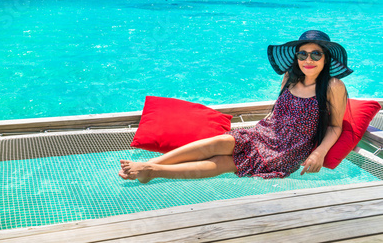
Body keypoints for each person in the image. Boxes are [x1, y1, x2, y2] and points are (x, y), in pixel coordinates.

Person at [119, 30, 352, 183]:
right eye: (303, 54)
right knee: (218, 142)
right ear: (296, 56)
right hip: (264, 133)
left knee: (223, 163)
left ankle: (152, 171)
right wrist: (262, 130)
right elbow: (278, 114)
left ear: (326, 58)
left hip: (289, 148)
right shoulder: (289, 77)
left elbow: (335, 126)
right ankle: (148, 165)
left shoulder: (333, 86)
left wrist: (319, 153)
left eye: (315, 54)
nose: (308, 60)